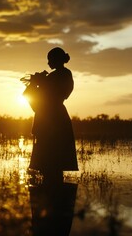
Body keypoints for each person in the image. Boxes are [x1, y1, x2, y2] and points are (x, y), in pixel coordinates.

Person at [23, 47, 78, 183]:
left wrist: (37, 82)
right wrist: (38, 82)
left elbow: (44, 95)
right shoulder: (59, 75)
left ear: (56, 60)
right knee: (52, 160)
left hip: (52, 118)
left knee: (51, 157)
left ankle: (51, 193)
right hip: (54, 116)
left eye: (50, 60)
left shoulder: (60, 75)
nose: (48, 63)